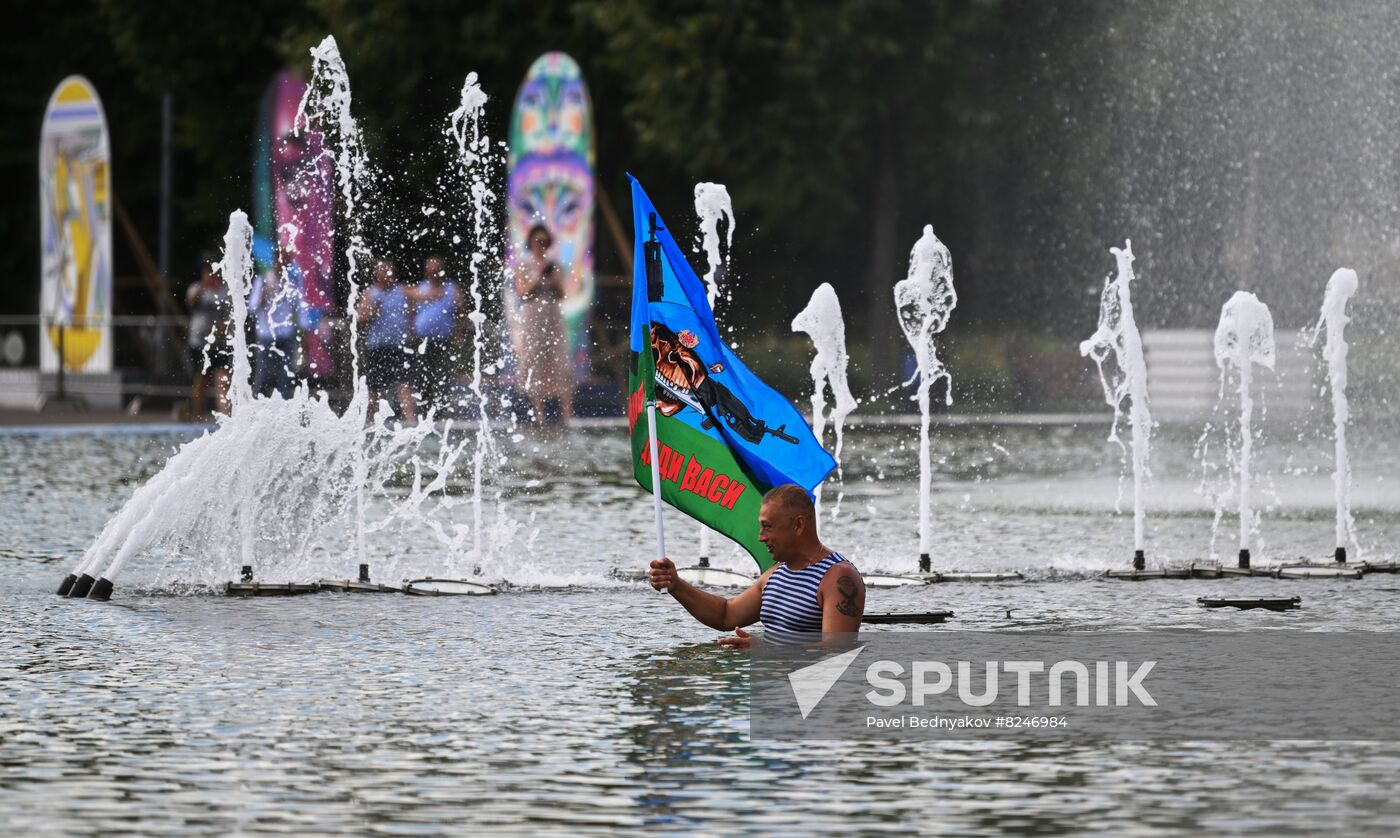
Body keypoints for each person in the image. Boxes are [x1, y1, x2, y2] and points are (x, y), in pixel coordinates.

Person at [647, 484, 864, 647]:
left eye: (767, 527)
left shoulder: (838, 578)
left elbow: (838, 651)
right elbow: (726, 614)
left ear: (798, 525)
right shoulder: (777, 573)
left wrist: (768, 650)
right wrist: (676, 585)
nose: (761, 537)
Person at [514, 223, 574, 424]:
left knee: (560, 360)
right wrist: (539, 275)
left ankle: (567, 414)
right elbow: (523, 292)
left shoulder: (555, 264)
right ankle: (539, 413)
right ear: (530, 242)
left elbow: (561, 293)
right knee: (533, 360)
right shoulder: (523, 264)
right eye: (538, 241)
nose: (541, 245)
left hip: (553, 316)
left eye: (545, 242)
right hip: (532, 316)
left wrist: (552, 276)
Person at [357, 258, 417, 424]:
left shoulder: (403, 290)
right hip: (377, 346)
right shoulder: (371, 294)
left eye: (390, 272)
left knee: (403, 383)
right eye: (384, 272)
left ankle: (410, 420)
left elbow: (422, 296)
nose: (388, 275)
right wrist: (372, 310)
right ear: (377, 275)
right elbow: (360, 317)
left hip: (399, 345)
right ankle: (369, 420)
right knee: (373, 387)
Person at [405, 255, 465, 415]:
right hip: (422, 339)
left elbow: (461, 312)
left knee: (442, 374)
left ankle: (440, 409)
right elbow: (410, 310)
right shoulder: (421, 288)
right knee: (422, 374)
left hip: (443, 339)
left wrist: (458, 333)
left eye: (436, 268)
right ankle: (423, 409)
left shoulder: (452, 289)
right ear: (426, 271)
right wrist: (410, 328)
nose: (433, 272)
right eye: (430, 269)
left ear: (442, 270)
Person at [248, 249, 308, 399]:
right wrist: (265, 294)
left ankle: (285, 414)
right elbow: (252, 308)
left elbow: (300, 308)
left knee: (286, 378)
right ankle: (256, 411)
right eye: (283, 259)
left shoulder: (292, 282)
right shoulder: (262, 280)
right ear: (276, 259)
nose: (285, 263)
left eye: (288, 260)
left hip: (285, 335)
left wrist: (304, 333)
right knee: (263, 377)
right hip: (266, 336)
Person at [186, 256, 232, 419]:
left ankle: (225, 417)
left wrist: (225, 324)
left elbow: (231, 315)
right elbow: (190, 302)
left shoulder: (224, 291)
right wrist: (203, 286)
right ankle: (197, 417)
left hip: (219, 342)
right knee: (201, 382)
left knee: (222, 381)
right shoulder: (196, 288)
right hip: (199, 343)